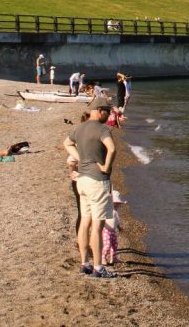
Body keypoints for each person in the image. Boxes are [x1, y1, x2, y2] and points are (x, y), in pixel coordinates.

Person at [63, 98, 117, 279]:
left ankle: (84, 263)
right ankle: (99, 268)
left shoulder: (80, 128)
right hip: (97, 181)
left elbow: (66, 143)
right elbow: (112, 148)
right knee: (97, 225)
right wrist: (106, 167)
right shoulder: (102, 129)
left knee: (84, 221)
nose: (109, 115)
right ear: (100, 111)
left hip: (82, 180)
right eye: (108, 112)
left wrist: (80, 159)